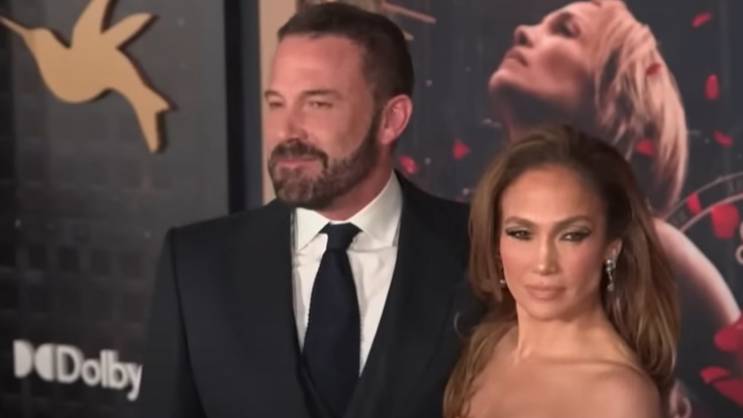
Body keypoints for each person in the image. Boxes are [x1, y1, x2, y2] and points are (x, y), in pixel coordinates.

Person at [137, 3, 480, 418]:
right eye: (276, 103)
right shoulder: (196, 265)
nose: (286, 131)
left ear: (391, 119)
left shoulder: (477, 251)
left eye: (317, 104)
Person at [485, 0, 739, 399]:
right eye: (521, 234)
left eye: (565, 30)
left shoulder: (658, 252)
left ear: (624, 99)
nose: (524, 31)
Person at [444, 125, 680, 418]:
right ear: (496, 243)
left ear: (611, 248)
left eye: (571, 235)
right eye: (521, 233)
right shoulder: (486, 344)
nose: (544, 263)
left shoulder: (619, 397)